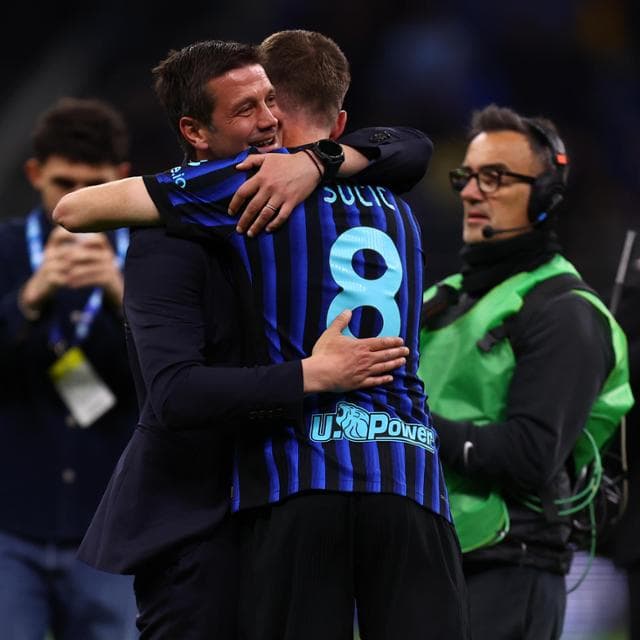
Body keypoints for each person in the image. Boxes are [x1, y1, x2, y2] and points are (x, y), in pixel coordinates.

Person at [54, 32, 469, 640]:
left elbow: (408, 144)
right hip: (220, 516)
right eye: (246, 108)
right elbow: (173, 394)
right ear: (195, 131)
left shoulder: (280, 186)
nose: (269, 119)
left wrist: (315, 160)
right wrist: (310, 375)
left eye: (271, 100)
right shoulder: (390, 202)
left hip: (298, 485)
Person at [418, 103, 634, 640]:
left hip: (506, 573)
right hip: (429, 561)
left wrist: (409, 424)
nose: (471, 193)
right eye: (467, 177)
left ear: (546, 196)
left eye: (494, 178)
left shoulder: (566, 313)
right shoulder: (440, 299)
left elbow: (529, 455)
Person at [0, 97, 139, 639]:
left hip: (111, 527)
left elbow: (182, 374)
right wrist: (28, 298)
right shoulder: (6, 251)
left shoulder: (152, 257)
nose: (77, 200)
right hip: (10, 525)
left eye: (95, 185)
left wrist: (121, 296)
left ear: (121, 177)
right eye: (64, 184)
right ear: (35, 174)